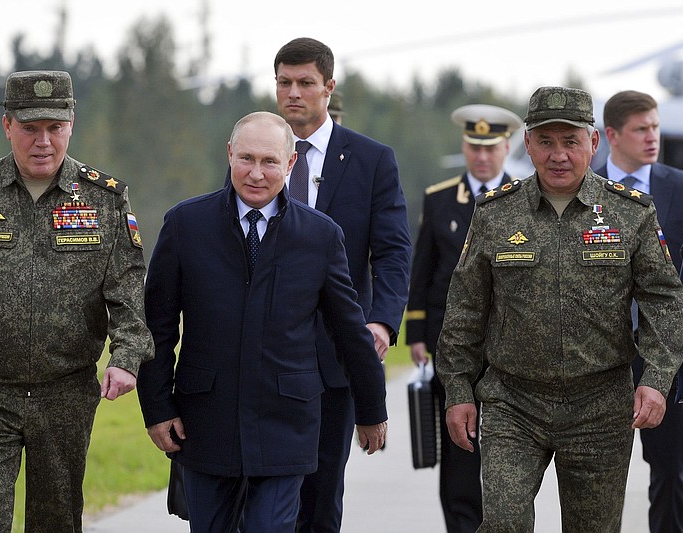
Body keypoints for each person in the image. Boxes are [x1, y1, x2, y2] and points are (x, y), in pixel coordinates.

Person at [0, 70, 154, 531]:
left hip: (66, 393)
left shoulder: (105, 200)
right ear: (7, 125)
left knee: (56, 521)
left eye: (54, 128)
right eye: (30, 128)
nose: (43, 142)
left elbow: (126, 292)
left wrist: (127, 356)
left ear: (71, 124)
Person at [436, 85, 683, 531]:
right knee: (503, 522)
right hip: (513, 403)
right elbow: (465, 308)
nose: (558, 154)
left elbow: (663, 298)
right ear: (527, 144)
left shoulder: (631, 214)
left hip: (600, 407)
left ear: (593, 143)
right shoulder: (495, 214)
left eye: (570, 141)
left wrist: (657, 379)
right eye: (546, 141)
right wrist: (457, 390)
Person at [136, 111, 388, 533]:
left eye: (269, 161)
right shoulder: (185, 225)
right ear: (229, 154)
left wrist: (371, 407)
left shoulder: (320, 236)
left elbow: (348, 330)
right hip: (205, 422)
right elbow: (157, 326)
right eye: (246, 159)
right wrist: (157, 407)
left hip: (285, 423)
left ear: (290, 164)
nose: (256, 173)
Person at [271, 37, 412, 532]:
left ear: (328, 88)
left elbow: (393, 251)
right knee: (261, 492)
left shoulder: (372, 160)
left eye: (305, 83)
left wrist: (381, 322)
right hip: (264, 354)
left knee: (321, 491)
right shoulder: (258, 154)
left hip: (336, 352)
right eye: (284, 83)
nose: (294, 93)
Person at [406, 103, 521, 532]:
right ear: (464, 148)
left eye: (491, 148)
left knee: (506, 447)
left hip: (508, 345)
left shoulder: (525, 199)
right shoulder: (439, 200)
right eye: (475, 147)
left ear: (506, 148)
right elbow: (423, 270)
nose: (483, 156)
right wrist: (416, 330)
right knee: (457, 446)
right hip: (448, 343)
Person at [593, 89, 683, 533]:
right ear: (612, 135)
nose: (652, 137)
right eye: (641, 129)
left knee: (672, 470)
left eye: (655, 127)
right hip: (599, 358)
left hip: (664, 357)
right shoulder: (584, 188)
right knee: (592, 477)